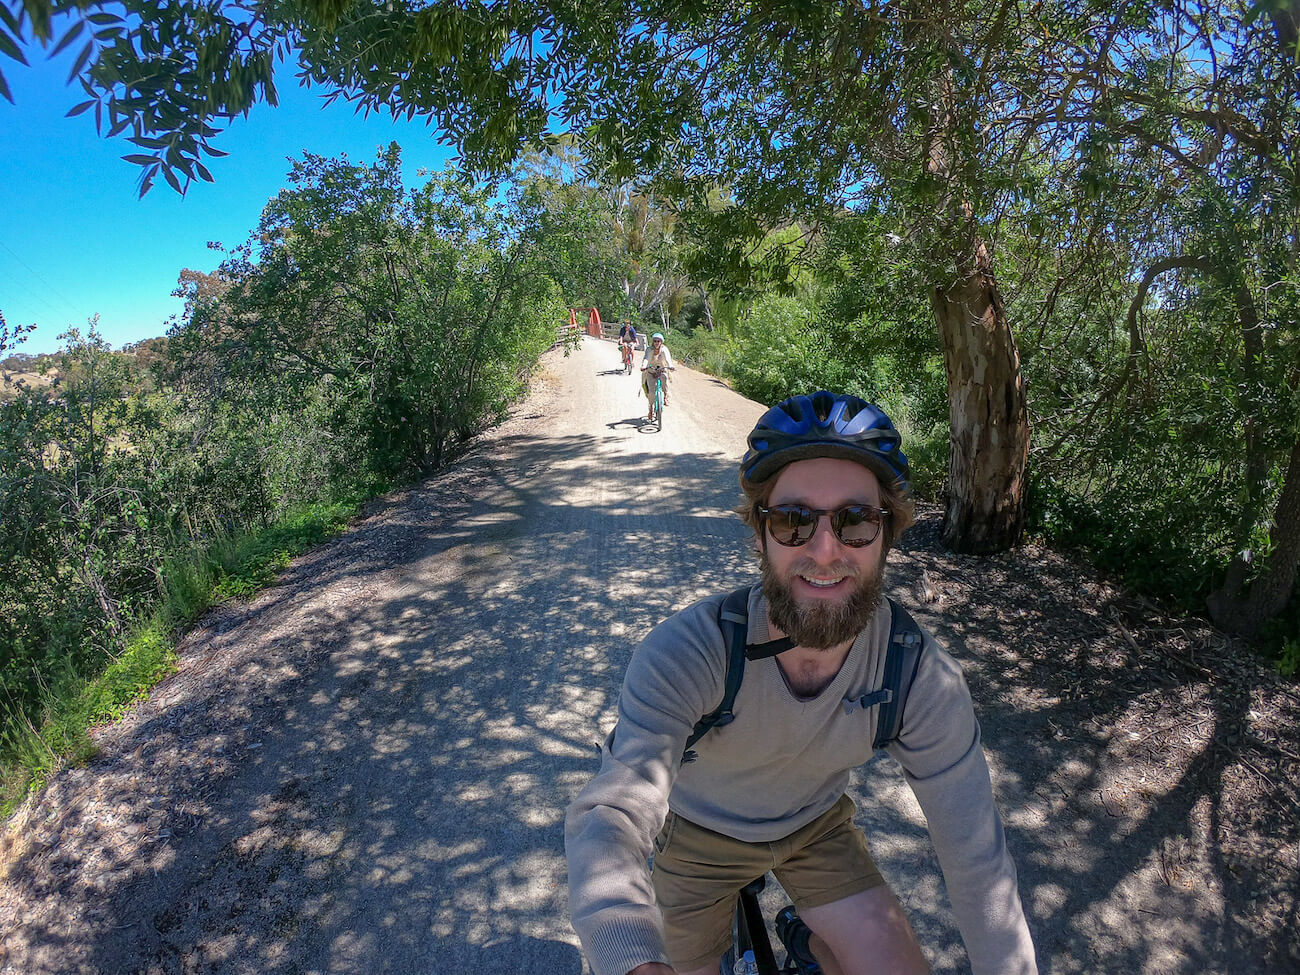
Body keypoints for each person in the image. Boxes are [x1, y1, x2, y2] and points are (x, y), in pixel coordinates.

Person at [565, 391, 1038, 975]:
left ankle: (806, 943)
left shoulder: (916, 676)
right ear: (759, 532)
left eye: (855, 521)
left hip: (813, 826)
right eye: (793, 521)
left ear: (888, 533)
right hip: (694, 836)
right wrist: (630, 961)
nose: (824, 550)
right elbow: (610, 817)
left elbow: (978, 865)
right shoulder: (692, 652)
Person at [640, 332, 675, 418]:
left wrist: (670, 366)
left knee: (665, 378)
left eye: (658, 341)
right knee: (651, 392)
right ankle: (651, 408)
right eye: (655, 341)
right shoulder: (649, 349)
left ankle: (665, 396)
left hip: (661, 370)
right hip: (650, 371)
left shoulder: (664, 349)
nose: (656, 343)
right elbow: (646, 359)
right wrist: (644, 366)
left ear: (661, 342)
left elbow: (668, 359)